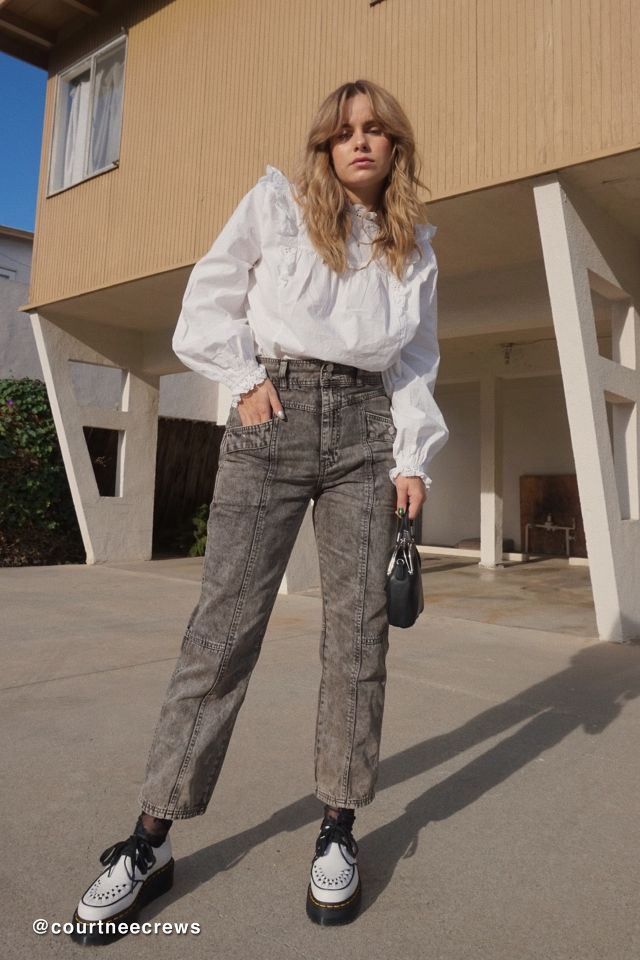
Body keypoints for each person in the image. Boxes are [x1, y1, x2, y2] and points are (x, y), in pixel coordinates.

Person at [70, 78, 449, 944]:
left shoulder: (413, 246)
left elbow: (415, 361)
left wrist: (413, 458)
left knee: (358, 639)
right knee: (223, 630)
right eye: (344, 131)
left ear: (395, 146)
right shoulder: (278, 205)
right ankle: (150, 838)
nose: (359, 141)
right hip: (273, 412)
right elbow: (206, 300)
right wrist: (242, 382)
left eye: (375, 130)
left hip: (368, 433)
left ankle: (338, 826)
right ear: (325, 145)